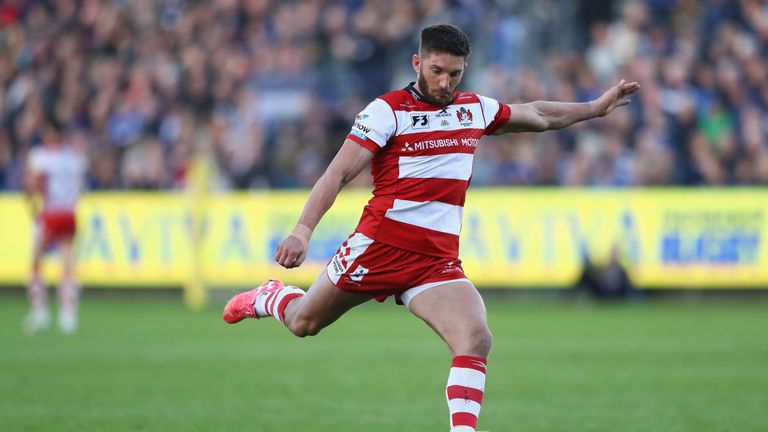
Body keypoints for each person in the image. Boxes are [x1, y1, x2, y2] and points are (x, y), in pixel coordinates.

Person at [223, 24, 639, 432]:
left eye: (455, 74)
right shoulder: (387, 111)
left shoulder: (472, 109)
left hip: (435, 261)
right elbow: (337, 174)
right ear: (417, 63)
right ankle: (271, 295)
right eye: (437, 71)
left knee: (476, 338)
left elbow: (538, 114)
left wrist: (593, 108)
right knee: (303, 323)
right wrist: (302, 230)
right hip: (378, 247)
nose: (445, 82)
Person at [23, 123, 87, 334]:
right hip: (69, 213)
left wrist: (33, 208)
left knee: (35, 262)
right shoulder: (73, 157)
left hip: (50, 214)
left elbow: (32, 185)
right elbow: (80, 186)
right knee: (67, 262)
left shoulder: (41, 156)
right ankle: (68, 314)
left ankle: (39, 312)